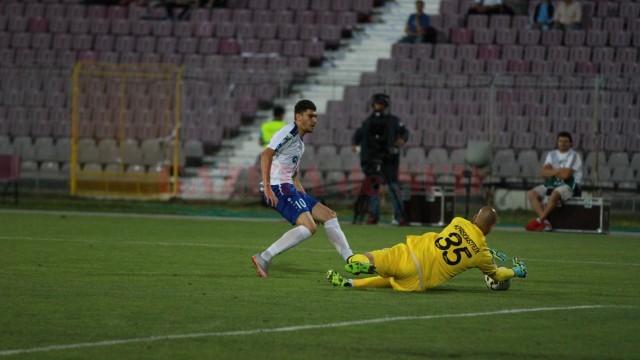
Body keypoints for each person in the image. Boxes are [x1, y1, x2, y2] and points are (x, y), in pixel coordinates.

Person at [252, 100, 354, 278]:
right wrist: (267, 188)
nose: (314, 120)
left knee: (329, 216)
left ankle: (351, 259)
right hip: (278, 187)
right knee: (309, 227)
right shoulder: (288, 132)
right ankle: (264, 257)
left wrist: (304, 198)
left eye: (316, 116)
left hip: (289, 186)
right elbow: (265, 155)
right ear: (298, 117)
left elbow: (293, 175)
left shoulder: (299, 143)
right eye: (310, 116)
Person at [326, 206, 528, 291]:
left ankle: (358, 263)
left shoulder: (457, 221)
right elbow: (498, 275)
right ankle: (352, 283)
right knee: (393, 279)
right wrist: (516, 271)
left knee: (372, 258)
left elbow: (461, 237)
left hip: (410, 252)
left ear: (474, 217)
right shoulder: (481, 255)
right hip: (418, 280)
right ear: (492, 228)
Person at [352, 93, 409, 226]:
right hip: (372, 159)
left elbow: (404, 132)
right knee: (372, 187)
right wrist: (355, 143)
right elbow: (358, 135)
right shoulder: (367, 122)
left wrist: (401, 139)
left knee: (393, 187)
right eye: (377, 104)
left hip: (389, 159)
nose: (378, 106)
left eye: (381, 104)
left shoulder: (393, 120)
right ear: (373, 105)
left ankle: (400, 216)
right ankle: (373, 215)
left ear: (385, 106)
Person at [525, 131, 583, 232]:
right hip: (553, 183)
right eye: (560, 141)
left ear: (571, 143)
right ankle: (546, 222)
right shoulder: (551, 155)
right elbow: (543, 172)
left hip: (570, 185)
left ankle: (539, 220)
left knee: (555, 193)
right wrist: (558, 170)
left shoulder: (574, 156)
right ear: (557, 142)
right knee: (531, 193)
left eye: (566, 141)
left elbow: (566, 176)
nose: (563, 144)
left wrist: (551, 171)